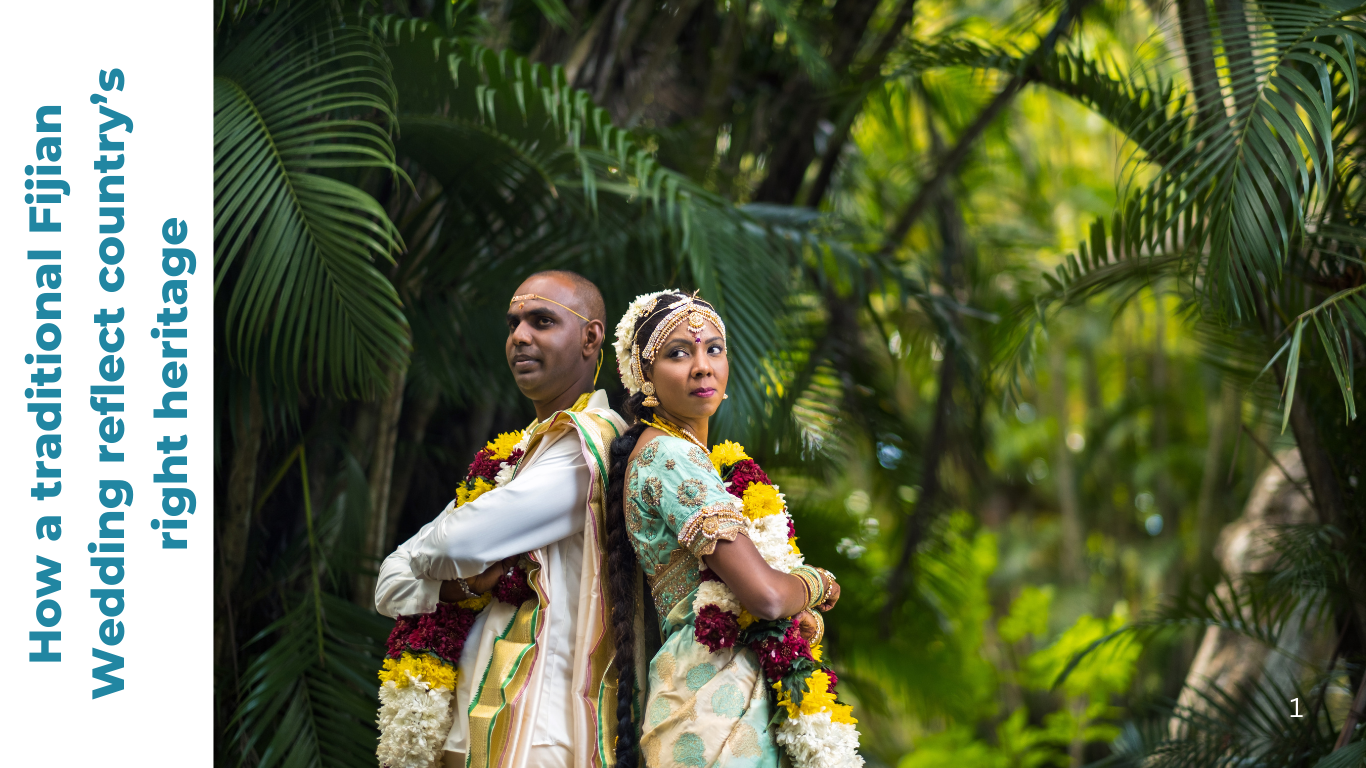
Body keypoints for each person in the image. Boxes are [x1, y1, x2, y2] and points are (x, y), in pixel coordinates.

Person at [375, 270, 627, 768]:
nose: (520, 337)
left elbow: (453, 545)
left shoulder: (592, 445)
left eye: (542, 321)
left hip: (540, 732)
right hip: (470, 723)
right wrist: (457, 589)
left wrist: (439, 556)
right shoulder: (517, 455)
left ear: (591, 338)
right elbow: (387, 583)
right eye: (514, 323)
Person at [603, 291, 842, 767]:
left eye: (713, 348)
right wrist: (820, 583)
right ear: (643, 377)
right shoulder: (671, 455)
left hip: (705, 694)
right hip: (713, 700)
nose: (702, 366)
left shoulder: (677, 456)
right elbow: (767, 597)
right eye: (677, 353)